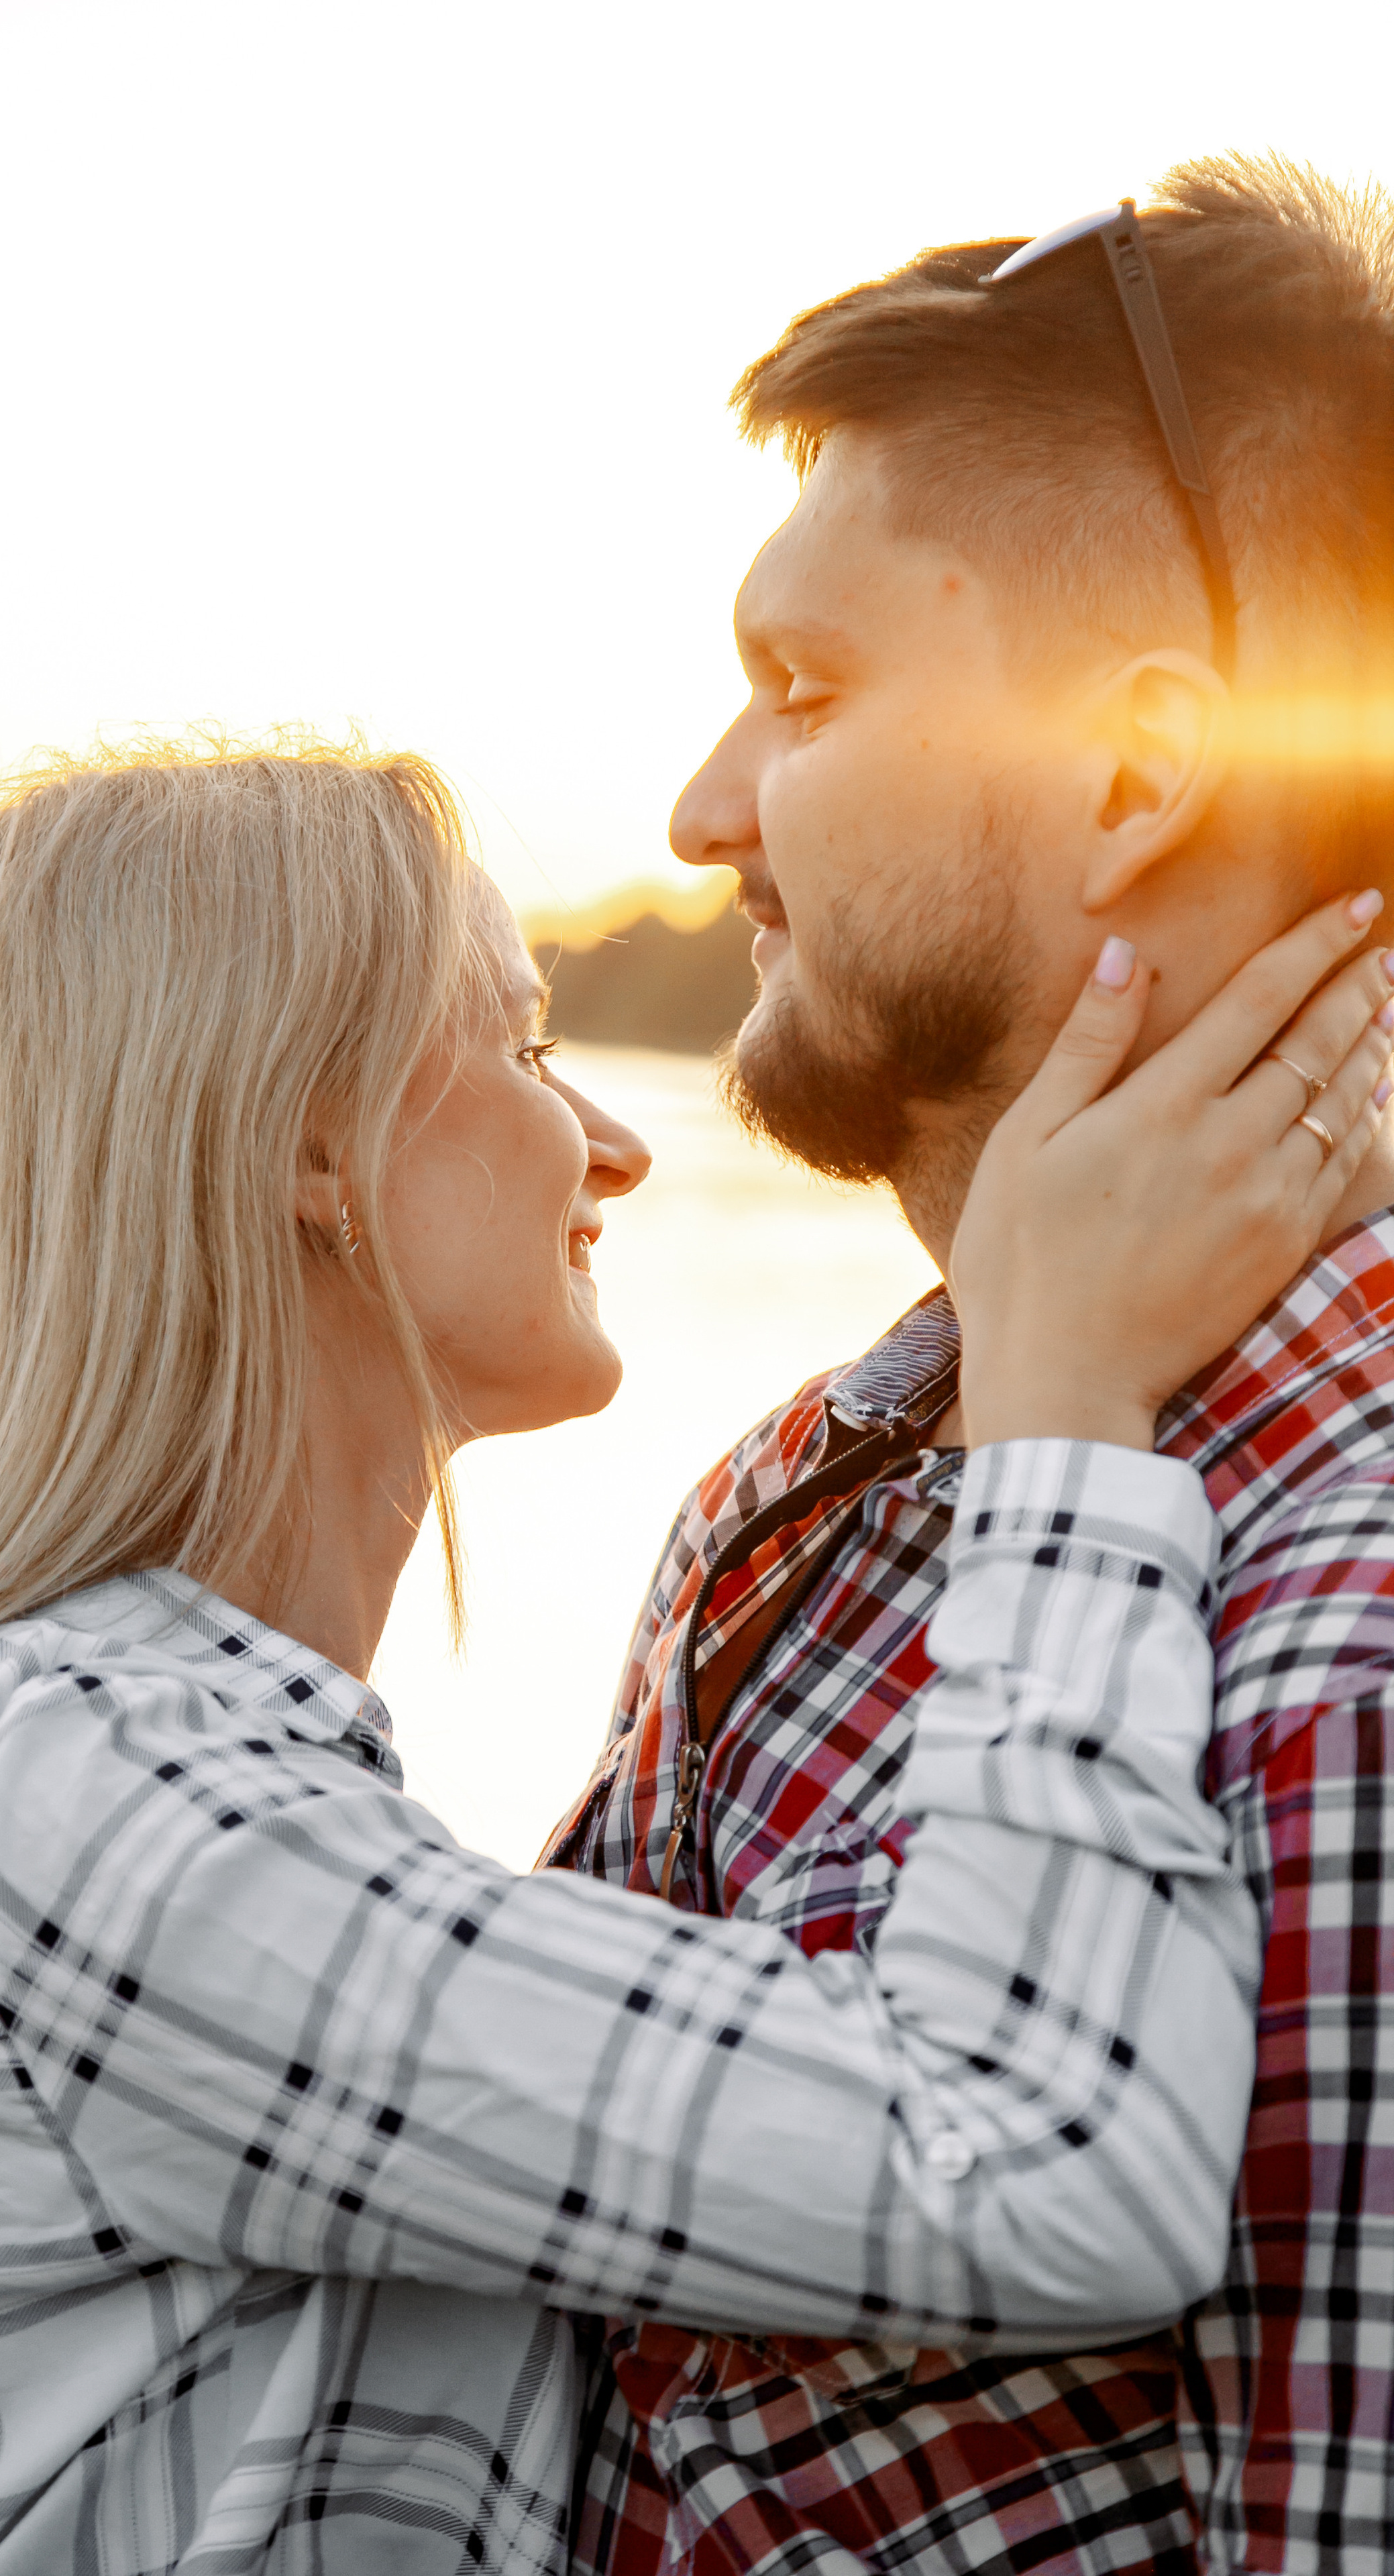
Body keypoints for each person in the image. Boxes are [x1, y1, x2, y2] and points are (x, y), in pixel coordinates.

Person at [0, 747, 1381, 2576]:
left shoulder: (101, 1775)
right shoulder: (82, 1800)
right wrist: (1066, 1405)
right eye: (526, 1044)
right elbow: (1035, 2171)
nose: (619, 1145)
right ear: (310, 1142)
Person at [545, 155, 1394, 2576]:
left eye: (806, 694)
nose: (703, 810)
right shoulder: (799, 1493)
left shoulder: (1351, 1650)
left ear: (1135, 775)